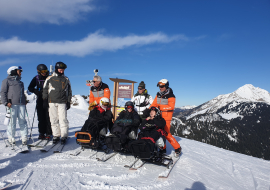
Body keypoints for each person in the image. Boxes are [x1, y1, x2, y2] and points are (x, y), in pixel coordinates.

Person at [150, 79, 181, 156]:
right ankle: (162, 148)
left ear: (166, 86)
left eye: (162, 86)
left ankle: (177, 148)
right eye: (159, 86)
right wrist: (150, 109)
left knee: (166, 134)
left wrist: (159, 108)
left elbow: (171, 107)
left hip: (166, 117)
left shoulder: (171, 95)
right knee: (158, 133)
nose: (160, 88)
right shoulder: (158, 94)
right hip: (158, 117)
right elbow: (154, 104)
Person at [43, 62, 72, 144]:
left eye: (63, 70)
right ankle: (56, 136)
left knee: (63, 119)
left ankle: (64, 136)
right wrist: (45, 100)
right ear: (56, 69)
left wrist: (69, 101)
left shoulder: (66, 79)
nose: (62, 71)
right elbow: (45, 89)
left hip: (62, 102)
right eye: (60, 69)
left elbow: (69, 91)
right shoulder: (49, 78)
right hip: (52, 102)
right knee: (53, 120)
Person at [0, 66, 28, 145]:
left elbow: (22, 93)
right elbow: (3, 92)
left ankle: (24, 137)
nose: (20, 73)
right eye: (19, 71)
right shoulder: (6, 81)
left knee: (22, 121)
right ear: (13, 71)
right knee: (12, 122)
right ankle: (11, 138)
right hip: (11, 104)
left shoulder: (21, 82)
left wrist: (24, 100)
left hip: (21, 104)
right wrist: (5, 102)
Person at [28, 64, 52, 140]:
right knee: (41, 117)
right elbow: (30, 87)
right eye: (42, 71)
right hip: (40, 99)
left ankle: (48, 133)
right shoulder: (36, 78)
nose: (44, 73)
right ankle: (41, 132)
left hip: (49, 99)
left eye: (45, 71)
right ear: (39, 71)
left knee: (48, 117)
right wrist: (36, 92)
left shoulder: (50, 77)